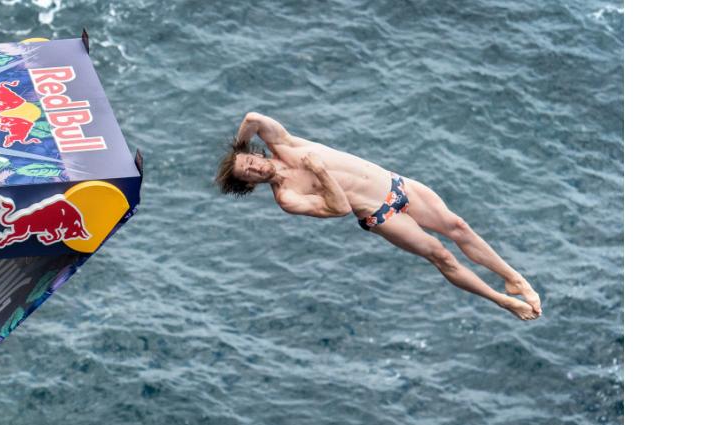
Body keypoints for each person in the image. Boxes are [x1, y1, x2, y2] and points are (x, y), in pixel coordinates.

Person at [215, 112, 542, 320]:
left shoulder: (286, 144)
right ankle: (501, 300)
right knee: (441, 255)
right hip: (381, 214)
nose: (255, 168)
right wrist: (321, 173)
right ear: (251, 185)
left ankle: (514, 279)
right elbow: (339, 209)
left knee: (458, 226)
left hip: (396, 183)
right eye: (249, 174)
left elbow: (253, 118)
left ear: (253, 154)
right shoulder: (287, 197)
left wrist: (236, 153)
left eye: (250, 162)